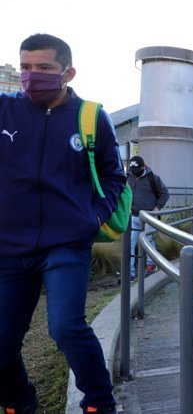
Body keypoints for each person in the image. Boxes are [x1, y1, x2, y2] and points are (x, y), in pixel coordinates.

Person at [0, 34, 125, 413]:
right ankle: (18, 402)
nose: (31, 75)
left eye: (43, 67)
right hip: (8, 246)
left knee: (67, 328)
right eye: (25, 67)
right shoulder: (4, 110)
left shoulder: (91, 117)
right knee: (2, 340)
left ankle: (99, 402)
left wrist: (95, 215)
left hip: (67, 243)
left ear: (67, 73)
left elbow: (114, 176)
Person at [128, 155, 169, 279]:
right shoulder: (129, 177)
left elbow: (165, 194)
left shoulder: (153, 178)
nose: (134, 173)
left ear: (143, 167)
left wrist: (156, 209)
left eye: (136, 170)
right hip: (133, 216)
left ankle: (151, 266)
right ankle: (130, 272)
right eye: (132, 170)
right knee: (129, 244)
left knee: (148, 242)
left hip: (148, 216)